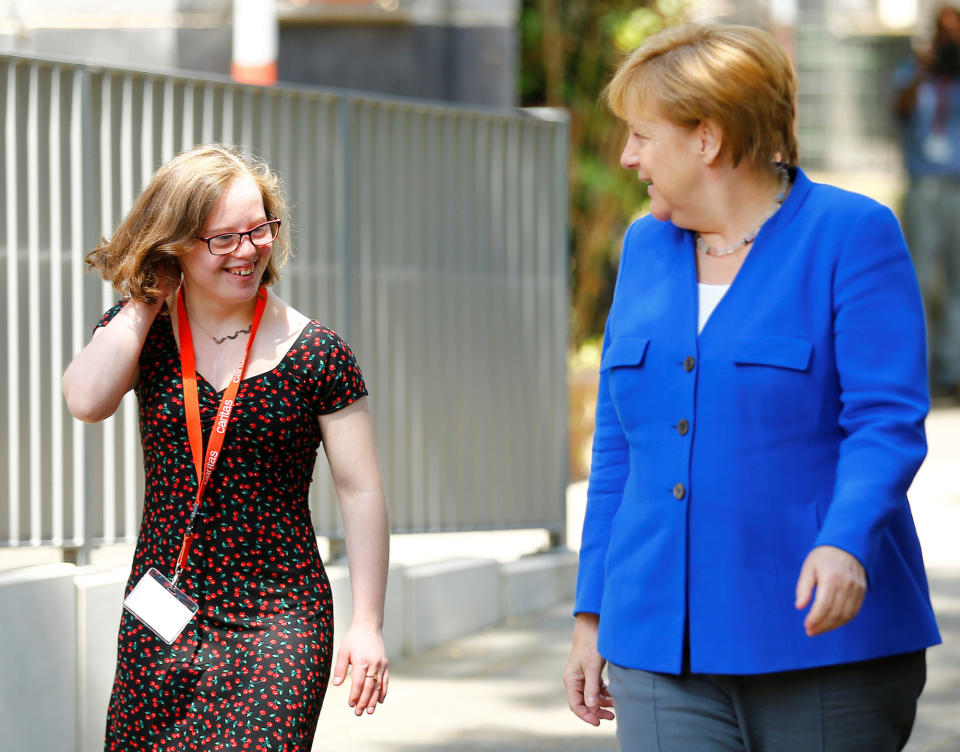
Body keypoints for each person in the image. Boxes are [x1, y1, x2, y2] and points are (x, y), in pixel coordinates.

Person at [562, 22, 941, 752]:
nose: (627, 156)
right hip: (658, 651)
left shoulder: (852, 234)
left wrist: (846, 542)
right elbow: (619, 447)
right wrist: (592, 614)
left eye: (643, 135)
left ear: (706, 139)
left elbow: (886, 422)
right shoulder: (644, 247)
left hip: (824, 643)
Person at [62, 144, 390, 751]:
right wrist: (145, 299)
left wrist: (367, 623)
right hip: (162, 607)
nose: (248, 251)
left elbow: (360, 488)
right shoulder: (143, 335)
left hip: (279, 617)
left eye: (260, 229)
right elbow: (85, 400)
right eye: (223, 239)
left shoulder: (316, 352)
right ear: (176, 243)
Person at [893, 4, 960, 402]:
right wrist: (924, 68)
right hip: (923, 186)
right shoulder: (914, 72)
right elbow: (898, 109)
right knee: (919, 281)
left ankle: (954, 369)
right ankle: (921, 369)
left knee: (957, 284)